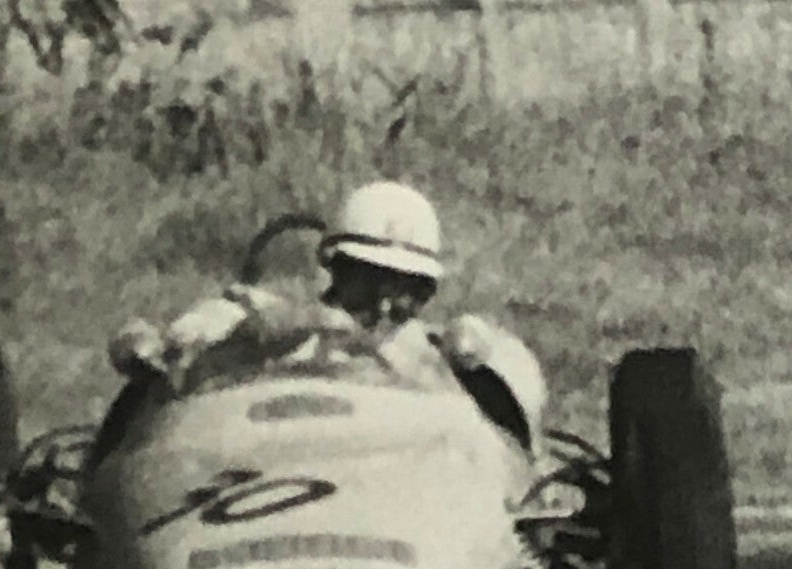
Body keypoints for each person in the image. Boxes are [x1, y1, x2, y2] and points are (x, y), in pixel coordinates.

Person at [108, 180, 547, 453]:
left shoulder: (434, 351)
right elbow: (180, 347)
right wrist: (259, 335)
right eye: (370, 280)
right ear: (334, 268)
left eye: (411, 291)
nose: (386, 305)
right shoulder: (256, 317)